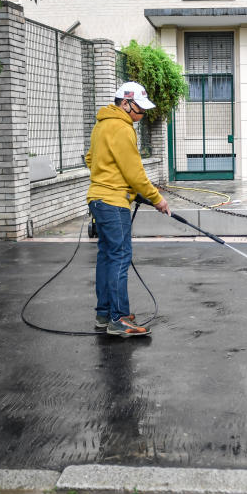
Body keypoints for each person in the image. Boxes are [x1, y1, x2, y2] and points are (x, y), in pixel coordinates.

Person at [85, 81, 170, 337]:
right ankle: (119, 318)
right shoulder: (122, 128)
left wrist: (107, 179)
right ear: (125, 103)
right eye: (139, 108)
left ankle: (104, 313)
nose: (142, 114)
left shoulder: (101, 124)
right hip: (113, 203)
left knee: (107, 257)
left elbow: (91, 159)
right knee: (120, 258)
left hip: (98, 199)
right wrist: (157, 199)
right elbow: (135, 172)